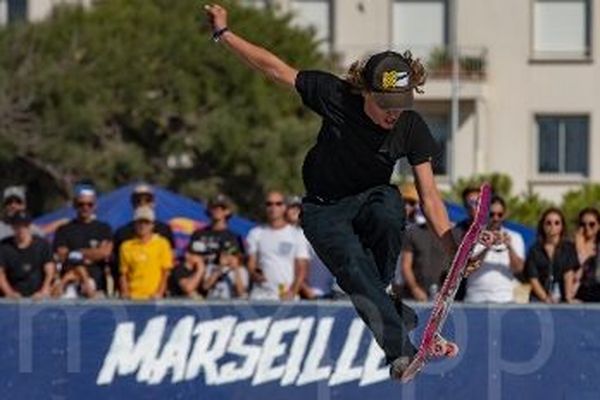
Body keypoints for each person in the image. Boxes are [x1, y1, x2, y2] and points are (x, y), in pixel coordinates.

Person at [203, 4, 491, 378]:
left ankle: (382, 289)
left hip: (372, 198)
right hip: (323, 210)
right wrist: (224, 34)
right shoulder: (335, 96)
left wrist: (453, 248)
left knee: (391, 207)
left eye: (400, 106)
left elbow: (430, 196)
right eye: (385, 105)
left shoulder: (410, 127)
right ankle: (399, 351)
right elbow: (274, 68)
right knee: (353, 269)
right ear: (365, 92)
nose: (393, 115)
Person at [246, 191, 309, 300]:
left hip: (286, 295)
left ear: (285, 207)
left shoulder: (297, 235)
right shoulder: (255, 233)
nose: (273, 207)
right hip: (260, 295)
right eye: (269, 204)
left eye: (278, 203)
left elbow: (302, 269)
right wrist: (255, 274)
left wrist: (292, 292)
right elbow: (251, 264)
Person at [53, 185, 113, 297]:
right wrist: (91, 254)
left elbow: (104, 252)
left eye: (89, 204)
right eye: (81, 204)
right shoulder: (64, 229)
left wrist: (77, 253)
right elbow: (62, 255)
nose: (85, 208)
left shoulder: (103, 228)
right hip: (70, 286)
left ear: (95, 206)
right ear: (75, 205)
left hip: (97, 287)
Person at [464, 195, 525, 303]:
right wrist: (487, 247)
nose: (496, 218)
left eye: (499, 215)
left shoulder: (515, 237)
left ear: (504, 215)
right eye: (492, 214)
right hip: (476, 299)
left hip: (505, 299)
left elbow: (518, 269)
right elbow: (468, 268)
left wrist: (509, 247)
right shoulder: (472, 237)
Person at [525, 208, 579, 303]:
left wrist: (568, 297)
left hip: (561, 299)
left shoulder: (568, 248)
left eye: (557, 223)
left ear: (562, 226)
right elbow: (533, 278)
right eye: (548, 223)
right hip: (538, 299)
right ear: (543, 226)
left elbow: (569, 273)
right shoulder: (535, 250)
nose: (552, 226)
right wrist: (545, 298)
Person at [119, 206, 174, 300]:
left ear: (152, 225)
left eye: (146, 222)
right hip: (133, 297)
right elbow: (123, 273)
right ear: (134, 224)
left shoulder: (162, 243)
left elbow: (165, 273)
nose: (142, 226)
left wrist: (159, 293)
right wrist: (125, 292)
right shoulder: (126, 246)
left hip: (153, 297)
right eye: (139, 222)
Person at [0, 212, 55, 299]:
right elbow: (0, 273)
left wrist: (44, 290)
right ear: (12, 227)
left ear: (30, 226)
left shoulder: (42, 245)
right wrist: (9, 293)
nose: (21, 229)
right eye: (18, 225)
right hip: (13, 296)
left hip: (37, 295)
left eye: (25, 225)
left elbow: (50, 270)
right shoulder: (4, 246)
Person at [400, 205, 449, 302]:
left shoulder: (450, 234)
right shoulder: (412, 233)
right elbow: (405, 265)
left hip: (442, 294)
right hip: (414, 295)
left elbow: (454, 265)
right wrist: (415, 288)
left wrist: (447, 291)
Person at [187, 193, 244, 267]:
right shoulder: (198, 234)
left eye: (222, 208)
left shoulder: (233, 237)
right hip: (197, 271)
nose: (218, 210)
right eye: (214, 207)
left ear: (228, 211)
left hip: (219, 273)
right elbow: (189, 256)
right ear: (209, 209)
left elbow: (234, 261)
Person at [573, 207, 600, 301]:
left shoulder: (598, 247)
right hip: (576, 295)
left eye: (592, 224)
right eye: (583, 224)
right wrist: (578, 246)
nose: (587, 227)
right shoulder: (571, 247)